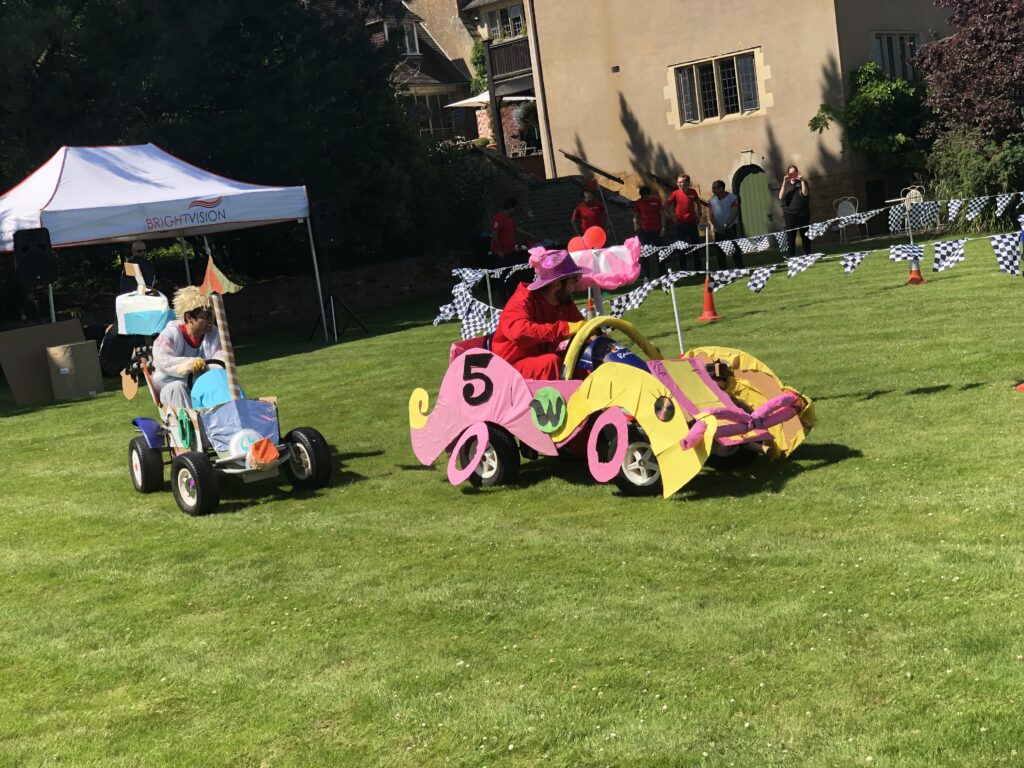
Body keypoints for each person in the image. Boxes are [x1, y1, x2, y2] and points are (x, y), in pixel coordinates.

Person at [490, 249, 590, 380]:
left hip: (538, 360)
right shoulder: (522, 300)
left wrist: (600, 341)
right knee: (550, 363)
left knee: (584, 356)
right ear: (557, 284)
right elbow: (519, 332)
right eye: (574, 281)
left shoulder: (564, 301)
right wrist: (565, 328)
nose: (576, 287)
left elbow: (581, 328)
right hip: (508, 369)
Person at [152, 286, 223, 408]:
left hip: (203, 386)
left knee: (222, 383)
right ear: (189, 317)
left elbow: (221, 361)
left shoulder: (214, 334)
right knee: (178, 387)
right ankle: (191, 425)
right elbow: (162, 360)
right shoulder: (170, 335)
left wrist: (205, 368)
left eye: (212, 314)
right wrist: (190, 365)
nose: (211, 320)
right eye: (205, 316)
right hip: (170, 387)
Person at [665, 174, 708, 270]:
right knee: (682, 248)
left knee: (695, 247)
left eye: (681, 182)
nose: (679, 184)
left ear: (687, 183)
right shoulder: (675, 193)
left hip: (692, 223)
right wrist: (672, 218)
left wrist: (699, 215)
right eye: (678, 182)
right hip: (681, 224)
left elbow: (698, 203)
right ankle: (683, 270)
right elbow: (666, 206)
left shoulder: (693, 192)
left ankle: (698, 269)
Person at [778, 164, 811, 257]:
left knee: (805, 235)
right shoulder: (786, 185)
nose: (792, 175)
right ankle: (791, 257)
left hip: (802, 213)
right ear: (787, 174)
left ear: (797, 173)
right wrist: (784, 182)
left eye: (794, 173)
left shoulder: (802, 182)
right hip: (790, 214)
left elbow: (805, 193)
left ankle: (808, 254)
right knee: (790, 237)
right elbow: (781, 197)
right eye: (790, 173)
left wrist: (802, 181)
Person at [633, 185, 665, 279]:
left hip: (656, 230)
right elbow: (635, 215)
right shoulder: (638, 202)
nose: (645, 199)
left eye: (646, 197)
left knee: (660, 252)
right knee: (644, 254)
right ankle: (647, 276)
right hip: (644, 232)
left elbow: (662, 214)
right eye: (643, 197)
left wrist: (663, 228)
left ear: (650, 195)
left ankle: (663, 274)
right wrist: (635, 223)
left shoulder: (656, 201)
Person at [709, 180, 742, 269]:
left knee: (734, 248)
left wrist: (725, 226)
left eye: (715, 188)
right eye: (712, 188)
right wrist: (718, 227)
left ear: (721, 188)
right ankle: (722, 269)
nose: (713, 190)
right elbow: (711, 215)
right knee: (720, 250)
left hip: (730, 227)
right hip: (718, 229)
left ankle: (740, 267)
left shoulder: (732, 198)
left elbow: (734, 213)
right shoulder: (712, 200)